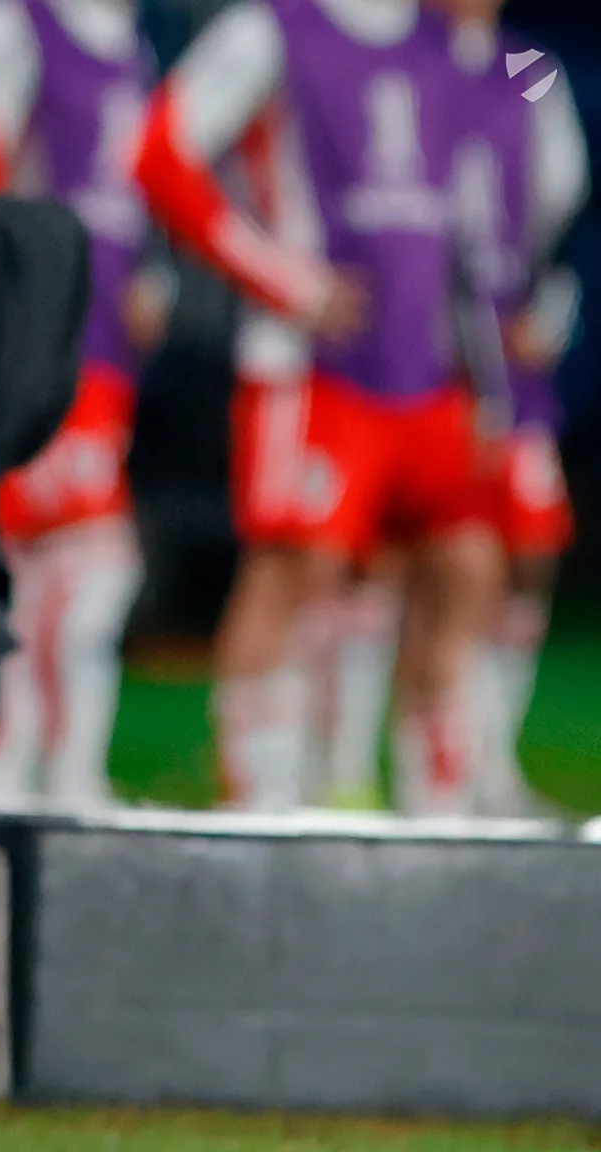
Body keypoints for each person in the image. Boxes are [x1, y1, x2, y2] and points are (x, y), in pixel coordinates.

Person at [135, 0, 504, 814]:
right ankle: (258, 806)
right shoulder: (272, 28)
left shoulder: (440, 40)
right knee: (294, 571)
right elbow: (161, 153)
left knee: (465, 563)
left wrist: (484, 372)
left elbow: (460, 218)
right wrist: (284, 280)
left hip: (426, 373)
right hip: (310, 369)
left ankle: (438, 809)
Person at [316, 0, 589, 814]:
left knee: (518, 553)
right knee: (395, 558)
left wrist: (542, 293)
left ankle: (480, 765)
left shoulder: (524, 68)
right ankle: (351, 771)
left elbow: (561, 186)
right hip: (409, 350)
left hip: (501, 348)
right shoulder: (396, 52)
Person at [0, 0, 167, 810]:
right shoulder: (9, 27)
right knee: (71, 569)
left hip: (103, 354)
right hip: (32, 348)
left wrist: (148, 274)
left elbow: (121, 186)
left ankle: (47, 776)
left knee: (59, 571)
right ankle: (18, 773)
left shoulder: (128, 41)